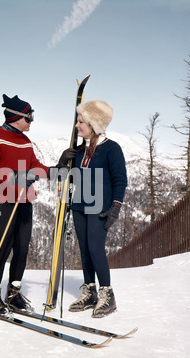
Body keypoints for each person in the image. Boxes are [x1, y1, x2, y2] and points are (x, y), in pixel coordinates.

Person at [0, 94, 74, 317]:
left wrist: (56, 168)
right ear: (17, 117)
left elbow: (34, 167)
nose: (32, 121)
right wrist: (16, 176)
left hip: (24, 199)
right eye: (30, 117)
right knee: (4, 246)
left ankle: (13, 293)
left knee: (22, 247)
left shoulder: (25, 141)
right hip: (2, 199)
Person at [68, 99, 127, 318]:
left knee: (95, 248)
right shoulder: (80, 151)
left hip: (99, 206)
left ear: (93, 124)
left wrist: (115, 207)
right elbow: (65, 175)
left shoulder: (112, 149)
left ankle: (107, 295)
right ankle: (89, 291)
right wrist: (64, 159)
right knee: (84, 250)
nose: (77, 125)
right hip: (79, 205)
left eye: (81, 121)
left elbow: (120, 180)